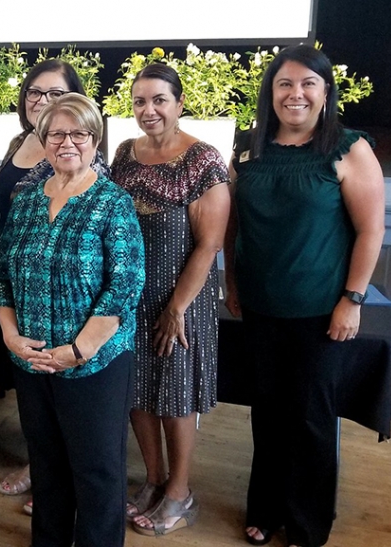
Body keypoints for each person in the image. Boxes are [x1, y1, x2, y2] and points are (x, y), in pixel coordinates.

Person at [224, 45, 384, 547]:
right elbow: (232, 225)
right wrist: (231, 281)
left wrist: (352, 299)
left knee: (311, 417)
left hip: (321, 310)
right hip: (259, 305)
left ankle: (308, 521)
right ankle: (266, 508)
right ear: (270, 93)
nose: (296, 94)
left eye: (308, 84)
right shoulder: (248, 149)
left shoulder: (348, 148)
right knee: (267, 412)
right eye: (285, 85)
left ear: (325, 92)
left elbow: (371, 230)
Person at [0, 93, 145, 547]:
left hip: (92, 364)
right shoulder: (24, 202)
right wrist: (11, 336)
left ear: (95, 141)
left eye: (79, 133)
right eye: (57, 133)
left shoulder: (112, 202)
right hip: (31, 360)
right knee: (47, 467)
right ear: (42, 140)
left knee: (97, 472)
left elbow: (124, 287)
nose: (68, 142)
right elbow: (2, 277)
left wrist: (79, 350)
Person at [109, 62, 230, 536]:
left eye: (159, 99)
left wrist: (176, 308)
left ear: (179, 103)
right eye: (140, 101)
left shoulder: (203, 160)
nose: (149, 109)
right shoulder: (123, 153)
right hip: (128, 300)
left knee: (175, 396)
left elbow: (209, 244)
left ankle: (180, 492)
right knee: (137, 392)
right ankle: (154, 481)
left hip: (180, 300)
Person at [0, 58, 112, 512]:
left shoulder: (97, 180)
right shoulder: (19, 148)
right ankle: (42, 474)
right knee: (39, 424)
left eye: (56, 94)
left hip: (78, 327)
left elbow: (118, 279)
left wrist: (81, 346)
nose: (43, 102)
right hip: (20, 300)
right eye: (35, 92)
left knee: (86, 446)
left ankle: (55, 482)